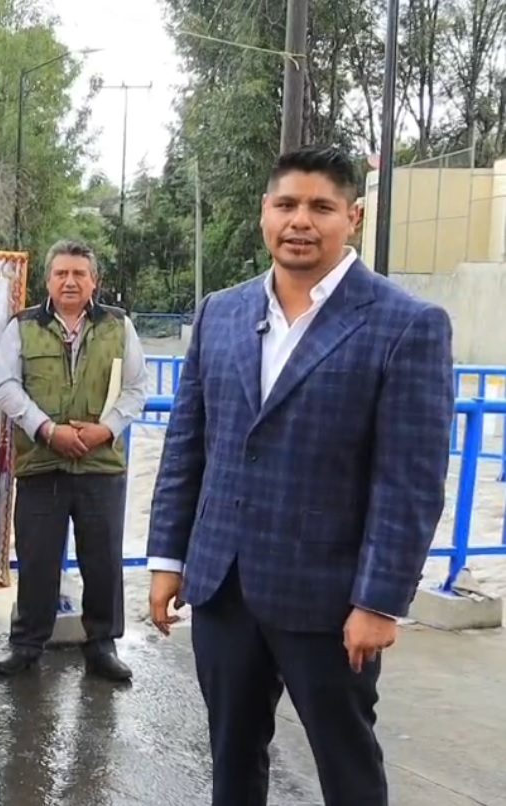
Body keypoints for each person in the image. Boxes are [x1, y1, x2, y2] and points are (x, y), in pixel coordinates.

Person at [147, 145, 454, 806]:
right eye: (286, 204)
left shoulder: (406, 325)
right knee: (231, 755)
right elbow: (188, 447)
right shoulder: (220, 313)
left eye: (321, 207)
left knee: (346, 764)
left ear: (354, 216)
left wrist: (378, 601)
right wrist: (168, 559)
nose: (300, 220)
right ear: (265, 211)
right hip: (223, 587)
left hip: (331, 598)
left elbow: (411, 479)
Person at [0, 239, 148, 682]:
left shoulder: (119, 326)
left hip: (101, 465)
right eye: (62, 273)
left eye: (79, 273)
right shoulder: (22, 326)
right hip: (43, 463)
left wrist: (106, 429)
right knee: (38, 559)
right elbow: (5, 386)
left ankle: (101, 645)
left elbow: (137, 387)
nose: (70, 281)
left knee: (102, 559)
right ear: (48, 280)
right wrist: (47, 430)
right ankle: (26, 644)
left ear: (94, 280)